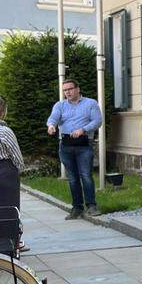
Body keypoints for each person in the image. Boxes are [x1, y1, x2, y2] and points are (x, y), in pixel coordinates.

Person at [47, 79, 102, 218]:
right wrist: (51, 126)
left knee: (86, 176)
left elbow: (97, 121)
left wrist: (83, 129)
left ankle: (92, 206)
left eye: (70, 89)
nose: (68, 92)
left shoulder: (91, 103)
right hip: (65, 145)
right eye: (65, 90)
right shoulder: (60, 105)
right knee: (72, 178)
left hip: (83, 144)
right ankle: (77, 207)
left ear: (77, 89)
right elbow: (53, 118)